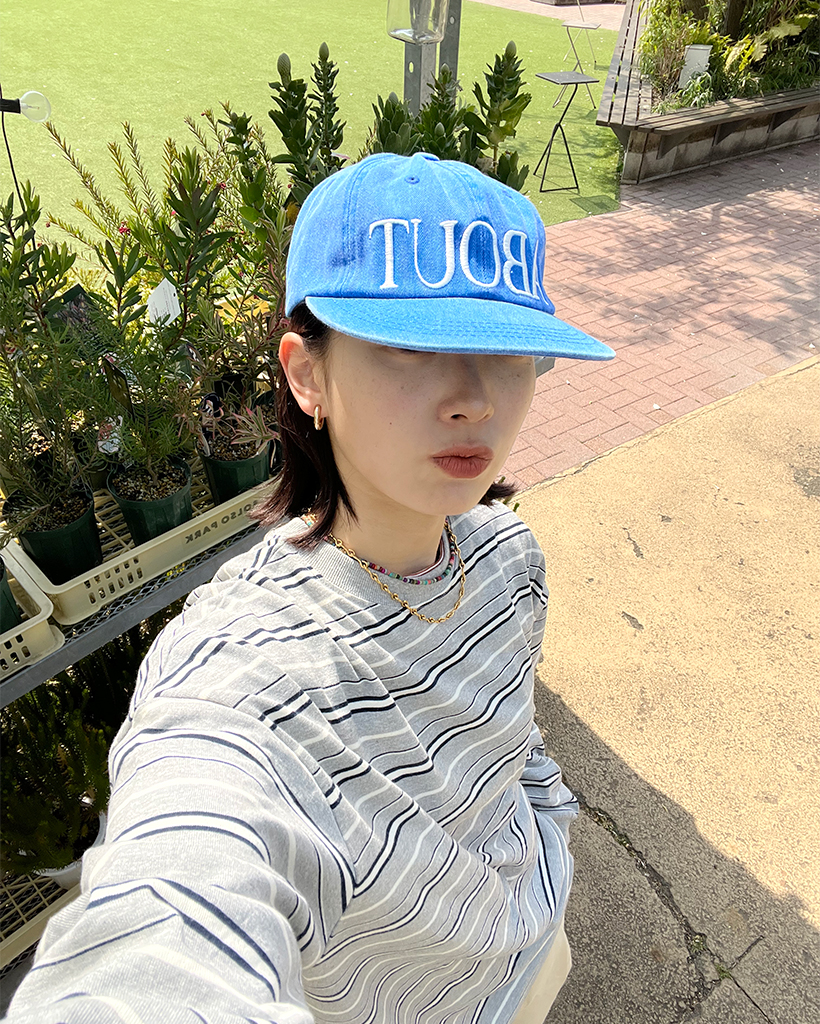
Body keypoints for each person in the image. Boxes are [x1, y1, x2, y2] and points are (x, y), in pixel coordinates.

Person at [4, 152, 614, 1024]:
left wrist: (549, 825)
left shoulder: (512, 560)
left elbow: (515, 742)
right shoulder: (242, 671)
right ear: (306, 374)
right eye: (414, 344)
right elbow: (174, 900)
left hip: (535, 952)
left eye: (509, 349)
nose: (476, 399)